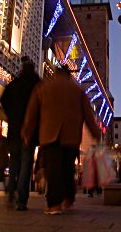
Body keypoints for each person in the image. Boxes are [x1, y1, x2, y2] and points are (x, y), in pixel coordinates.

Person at [22, 65, 101, 215]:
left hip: (49, 134)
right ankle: (69, 197)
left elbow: (31, 113)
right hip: (71, 136)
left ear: (56, 74)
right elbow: (88, 116)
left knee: (53, 169)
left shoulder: (43, 87)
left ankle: (54, 204)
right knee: (67, 168)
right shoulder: (78, 91)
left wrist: (27, 131)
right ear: (69, 75)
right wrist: (95, 133)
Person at [0, 57, 40, 210]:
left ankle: (11, 193)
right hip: (30, 131)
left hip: (14, 130)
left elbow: (3, 98)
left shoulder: (15, 84)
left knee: (14, 163)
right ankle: (22, 200)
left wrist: (11, 115)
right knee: (26, 165)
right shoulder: (37, 85)